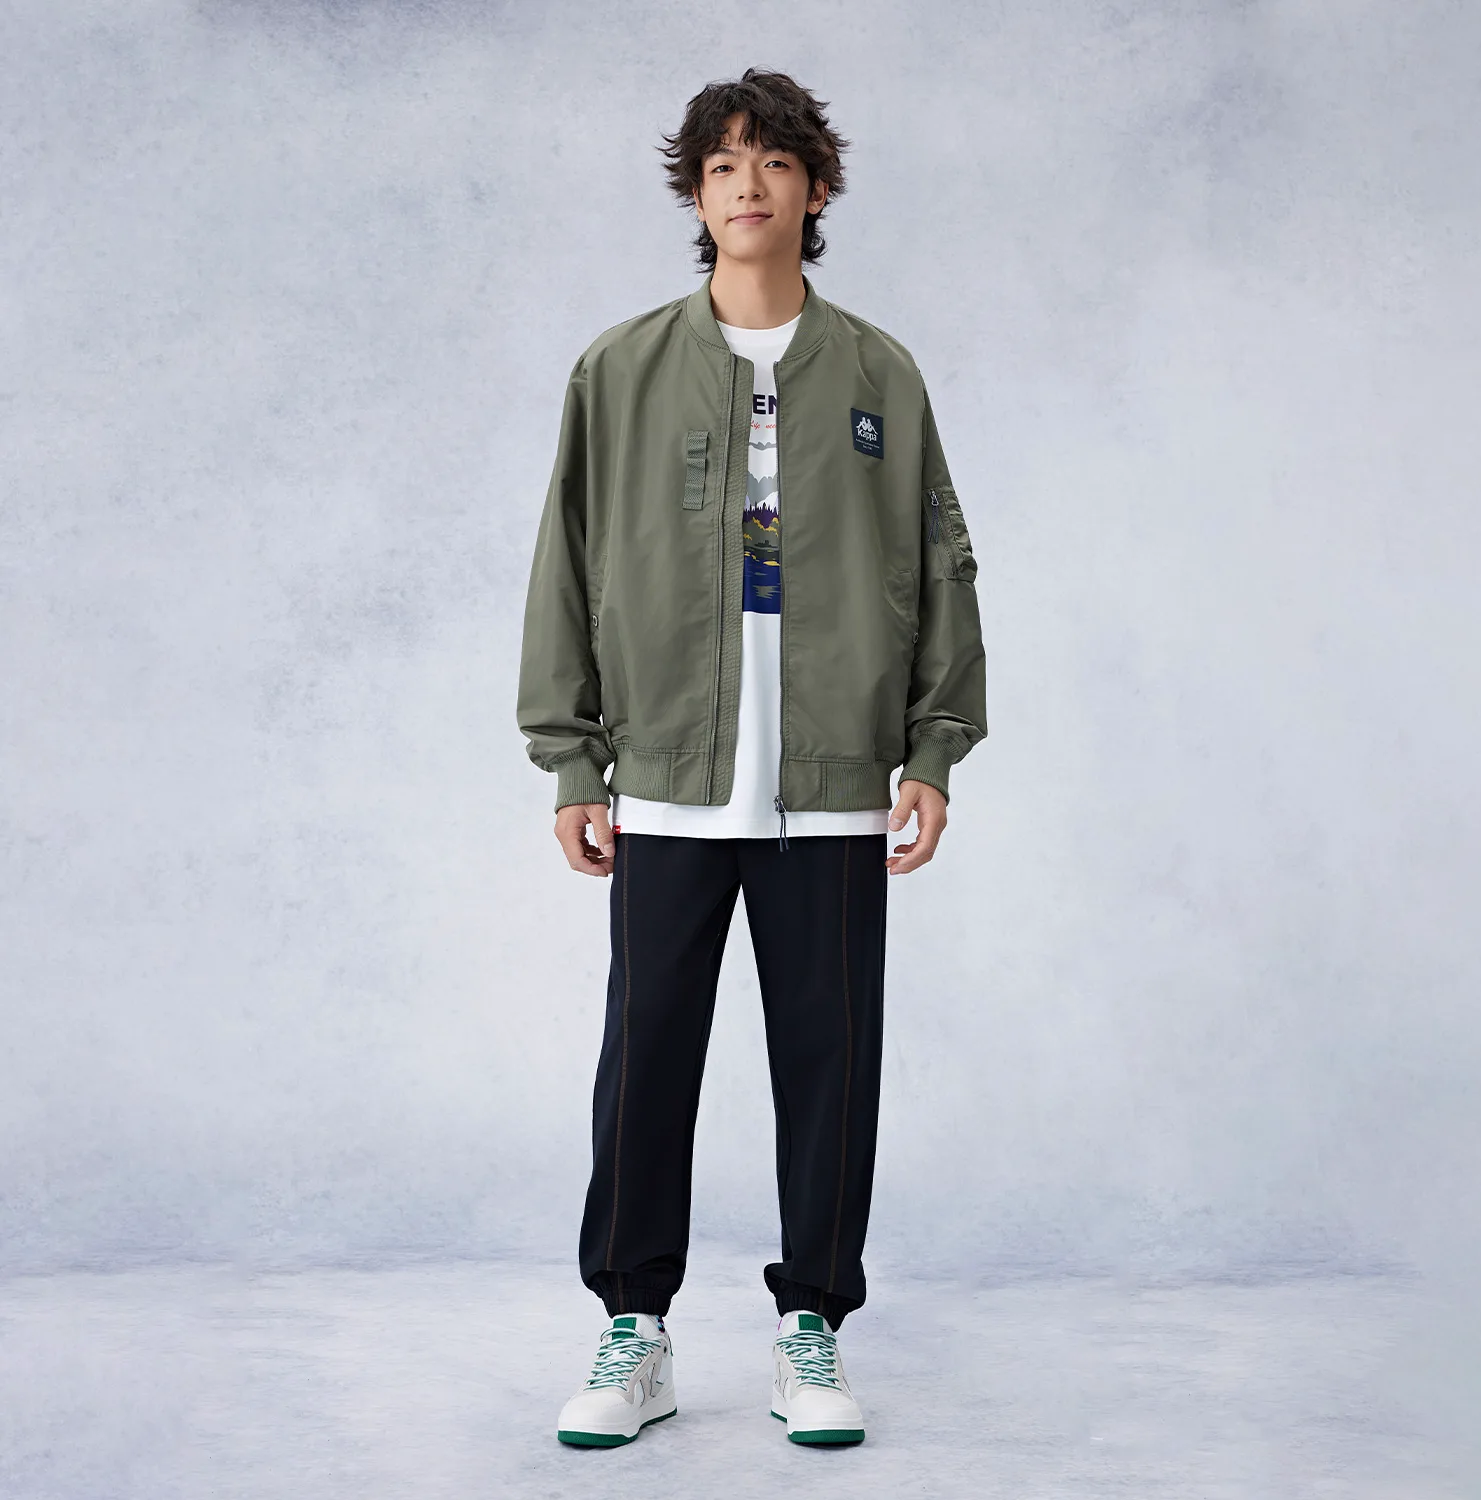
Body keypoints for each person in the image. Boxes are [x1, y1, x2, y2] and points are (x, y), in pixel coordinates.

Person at [516, 66, 987, 1448]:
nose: (748, 185)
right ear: (696, 193)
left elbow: (941, 564)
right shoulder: (620, 369)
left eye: (774, 161)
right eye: (722, 165)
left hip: (833, 788)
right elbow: (565, 567)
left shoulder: (880, 374)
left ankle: (812, 1328)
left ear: (815, 188)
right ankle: (635, 1329)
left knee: (831, 1065)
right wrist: (573, 759)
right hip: (667, 779)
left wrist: (934, 749)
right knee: (646, 1059)